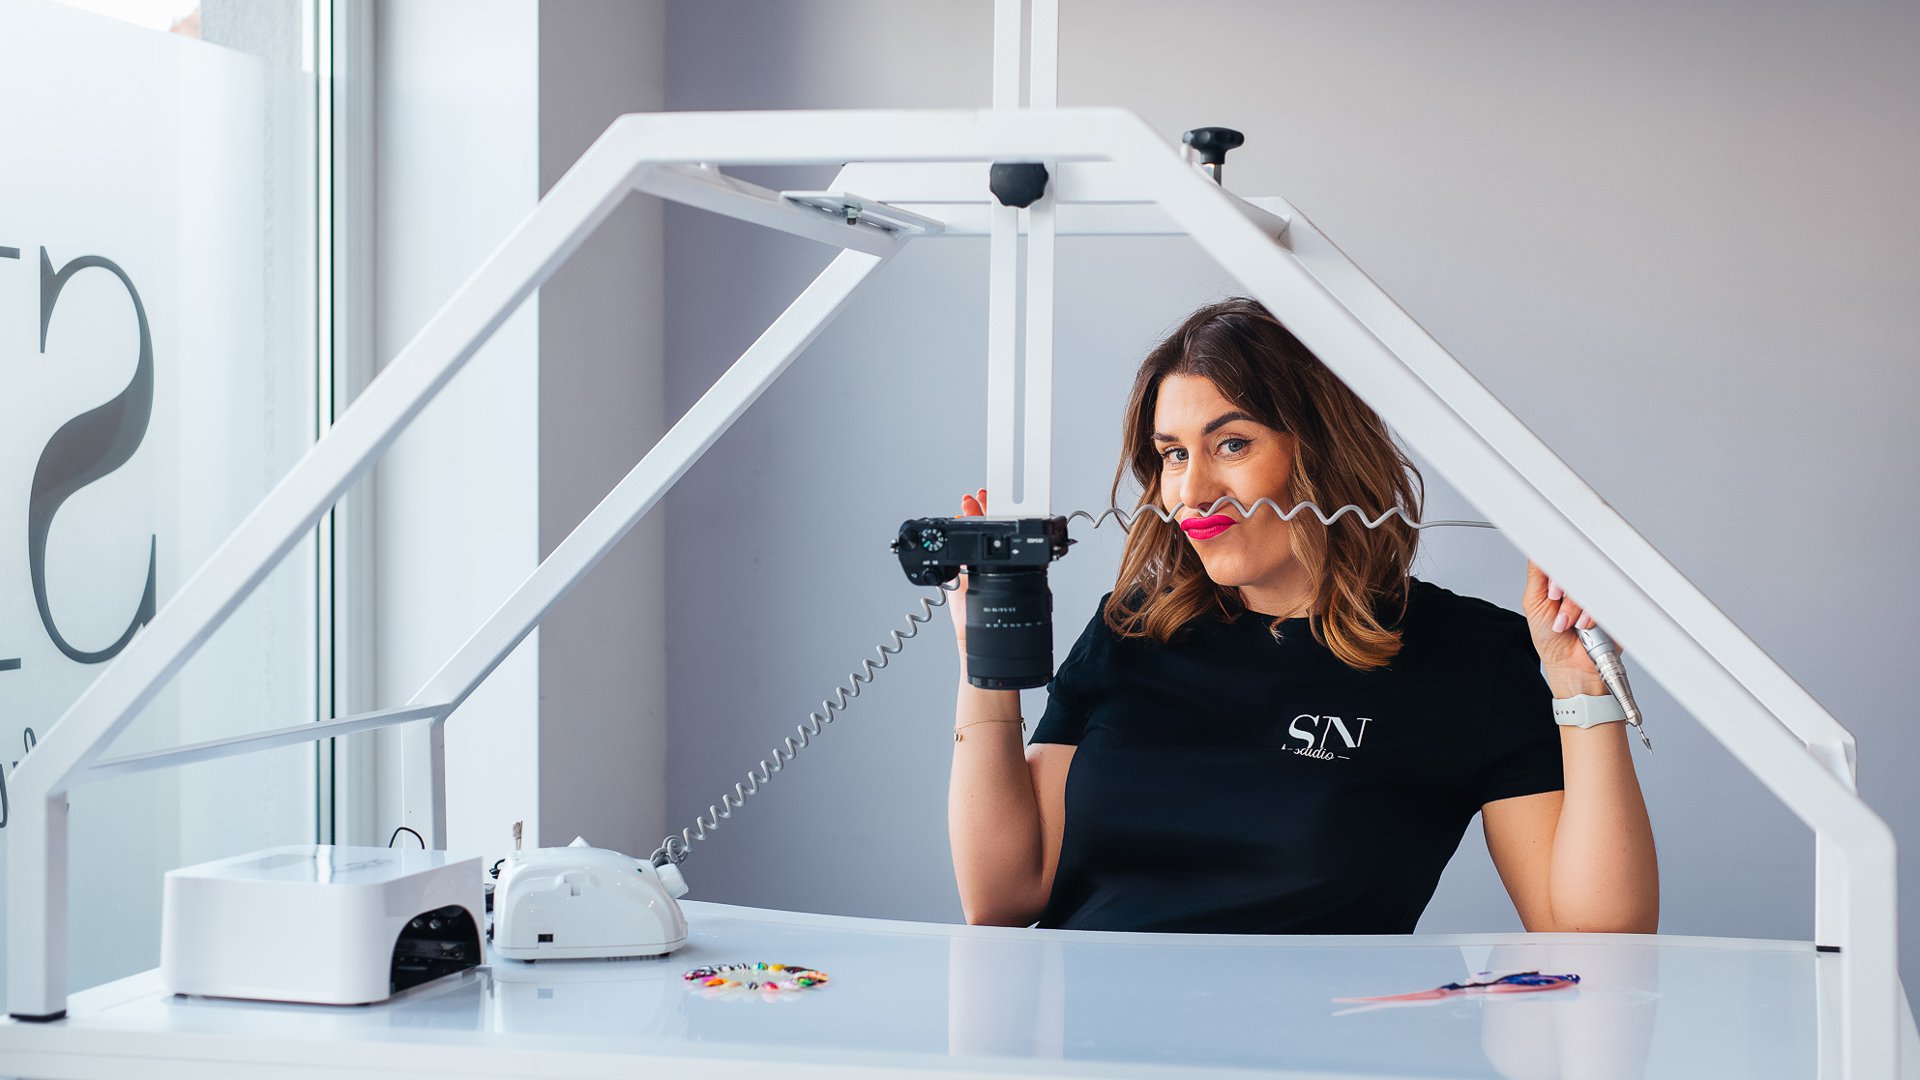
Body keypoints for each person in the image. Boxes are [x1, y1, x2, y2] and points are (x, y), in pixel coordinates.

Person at [946, 298, 1658, 934]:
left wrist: (1581, 689)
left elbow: (1596, 939)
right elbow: (1004, 895)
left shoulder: (1473, 655)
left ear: (1318, 451)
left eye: (1232, 444)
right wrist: (985, 655)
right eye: (1171, 454)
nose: (1191, 490)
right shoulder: (1130, 630)